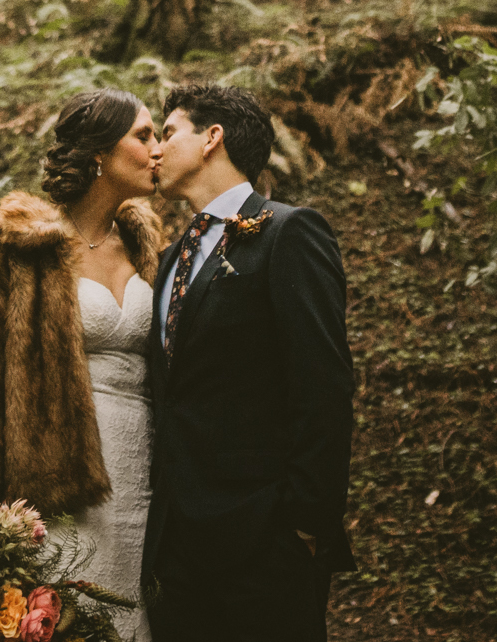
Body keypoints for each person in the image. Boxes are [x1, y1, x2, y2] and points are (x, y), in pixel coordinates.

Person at [0, 87, 165, 640]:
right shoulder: (18, 249)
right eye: (143, 135)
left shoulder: (149, 246)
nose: (159, 149)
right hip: (54, 481)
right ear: (99, 155)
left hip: (148, 471)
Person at [145, 83, 355, 642]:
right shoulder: (172, 257)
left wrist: (305, 523)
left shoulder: (290, 232)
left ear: (212, 137)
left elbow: (324, 383)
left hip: (266, 546)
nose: (154, 151)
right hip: (179, 549)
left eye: (168, 133)